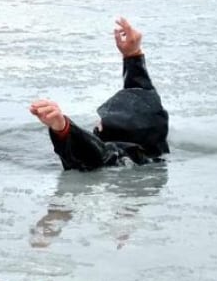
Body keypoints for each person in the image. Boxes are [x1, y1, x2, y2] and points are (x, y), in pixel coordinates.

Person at [29, 18, 169, 171]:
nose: (97, 124)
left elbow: (97, 153)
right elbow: (143, 100)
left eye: (101, 123)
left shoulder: (118, 156)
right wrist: (133, 55)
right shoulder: (155, 145)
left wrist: (63, 128)